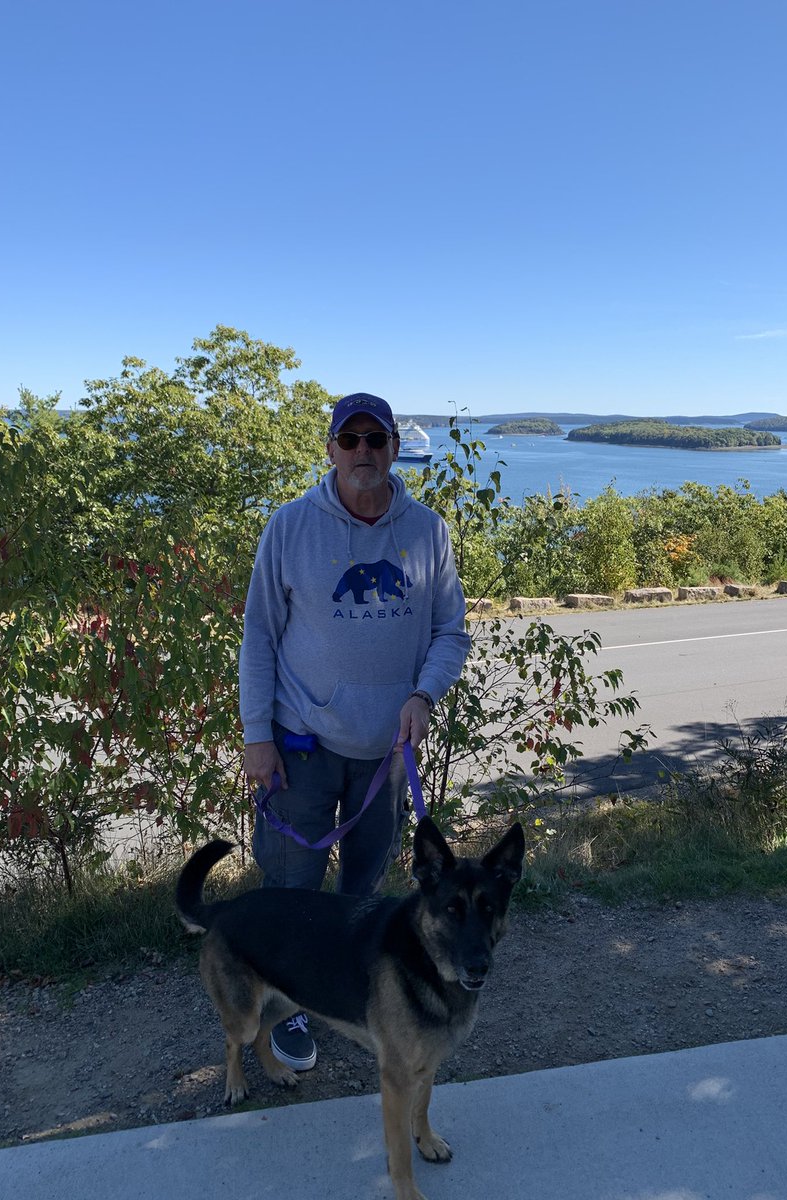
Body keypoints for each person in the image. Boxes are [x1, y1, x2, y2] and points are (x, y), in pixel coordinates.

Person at [239, 392, 470, 1071]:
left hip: (386, 757)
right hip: (300, 746)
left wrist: (425, 693)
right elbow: (259, 636)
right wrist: (258, 735)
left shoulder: (427, 532)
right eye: (351, 439)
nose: (364, 451)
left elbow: (450, 630)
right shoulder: (289, 528)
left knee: (363, 894)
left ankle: (353, 996)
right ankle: (285, 1012)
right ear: (331, 449)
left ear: (395, 447)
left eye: (377, 438)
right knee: (291, 895)